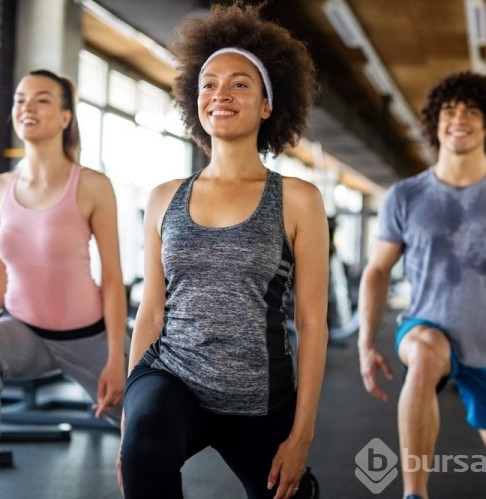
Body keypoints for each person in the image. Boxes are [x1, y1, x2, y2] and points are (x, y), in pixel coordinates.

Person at [116, 4, 328, 499]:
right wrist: (129, 428)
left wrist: (301, 435)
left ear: (267, 105)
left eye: (239, 84)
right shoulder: (164, 197)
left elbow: (313, 322)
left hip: (259, 398)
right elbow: (151, 311)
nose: (220, 95)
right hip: (171, 378)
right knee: (145, 447)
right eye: (209, 83)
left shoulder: (297, 199)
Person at [357, 72, 486, 498]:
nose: (458, 118)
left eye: (472, 110)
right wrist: (366, 342)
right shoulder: (405, 196)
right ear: (435, 122)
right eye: (449, 111)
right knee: (423, 358)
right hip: (426, 326)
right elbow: (376, 270)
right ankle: (414, 494)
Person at [0, 69, 127, 499]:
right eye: (20, 99)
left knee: (150, 424)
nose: (26, 107)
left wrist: (115, 357)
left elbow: (113, 278)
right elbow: (0, 271)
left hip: (89, 337)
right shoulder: (0, 188)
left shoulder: (91, 185)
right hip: (23, 329)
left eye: (42, 99)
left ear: (66, 117)